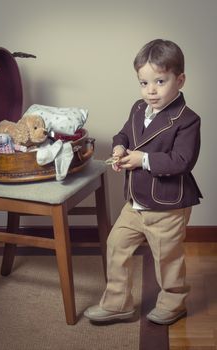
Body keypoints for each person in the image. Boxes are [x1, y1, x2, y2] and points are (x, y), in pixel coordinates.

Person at [84, 39, 202, 325]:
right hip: (135, 202)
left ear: (180, 80)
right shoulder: (139, 108)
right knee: (116, 245)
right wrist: (118, 149)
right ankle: (117, 304)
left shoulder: (187, 120)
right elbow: (123, 135)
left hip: (167, 206)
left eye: (160, 81)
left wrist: (143, 160)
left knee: (167, 259)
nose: (151, 90)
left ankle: (173, 303)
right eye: (144, 83)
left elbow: (182, 161)